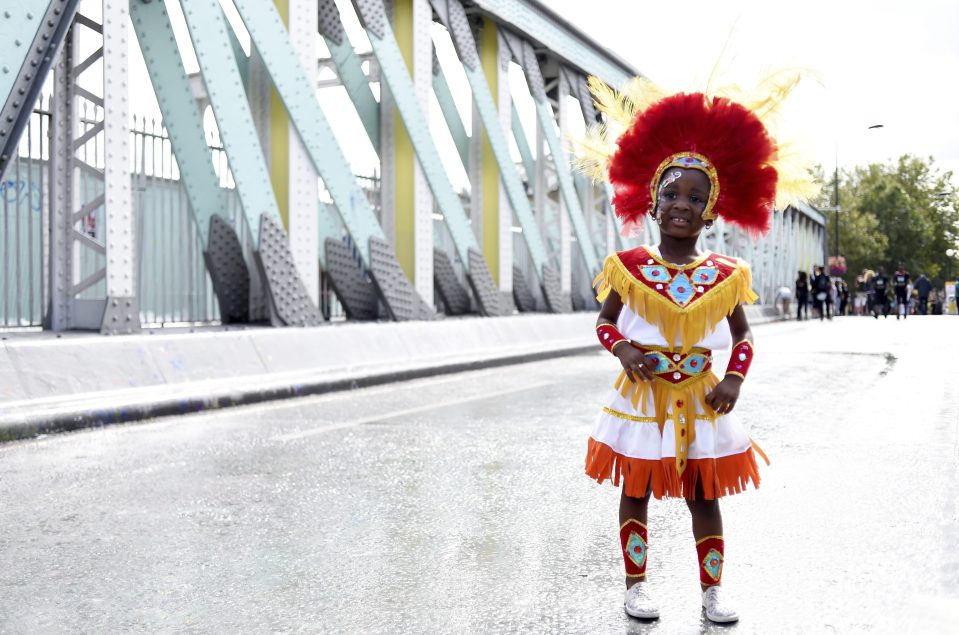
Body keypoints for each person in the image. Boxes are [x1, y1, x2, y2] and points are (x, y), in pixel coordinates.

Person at [575, 75, 814, 624]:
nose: (682, 204)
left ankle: (711, 592)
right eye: (672, 194)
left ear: (710, 211)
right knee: (635, 487)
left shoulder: (728, 274)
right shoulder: (626, 267)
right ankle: (635, 586)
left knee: (704, 494)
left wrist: (733, 379)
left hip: (702, 400)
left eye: (695, 198)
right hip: (641, 396)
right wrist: (624, 352)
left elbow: (744, 335)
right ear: (653, 202)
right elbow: (603, 322)